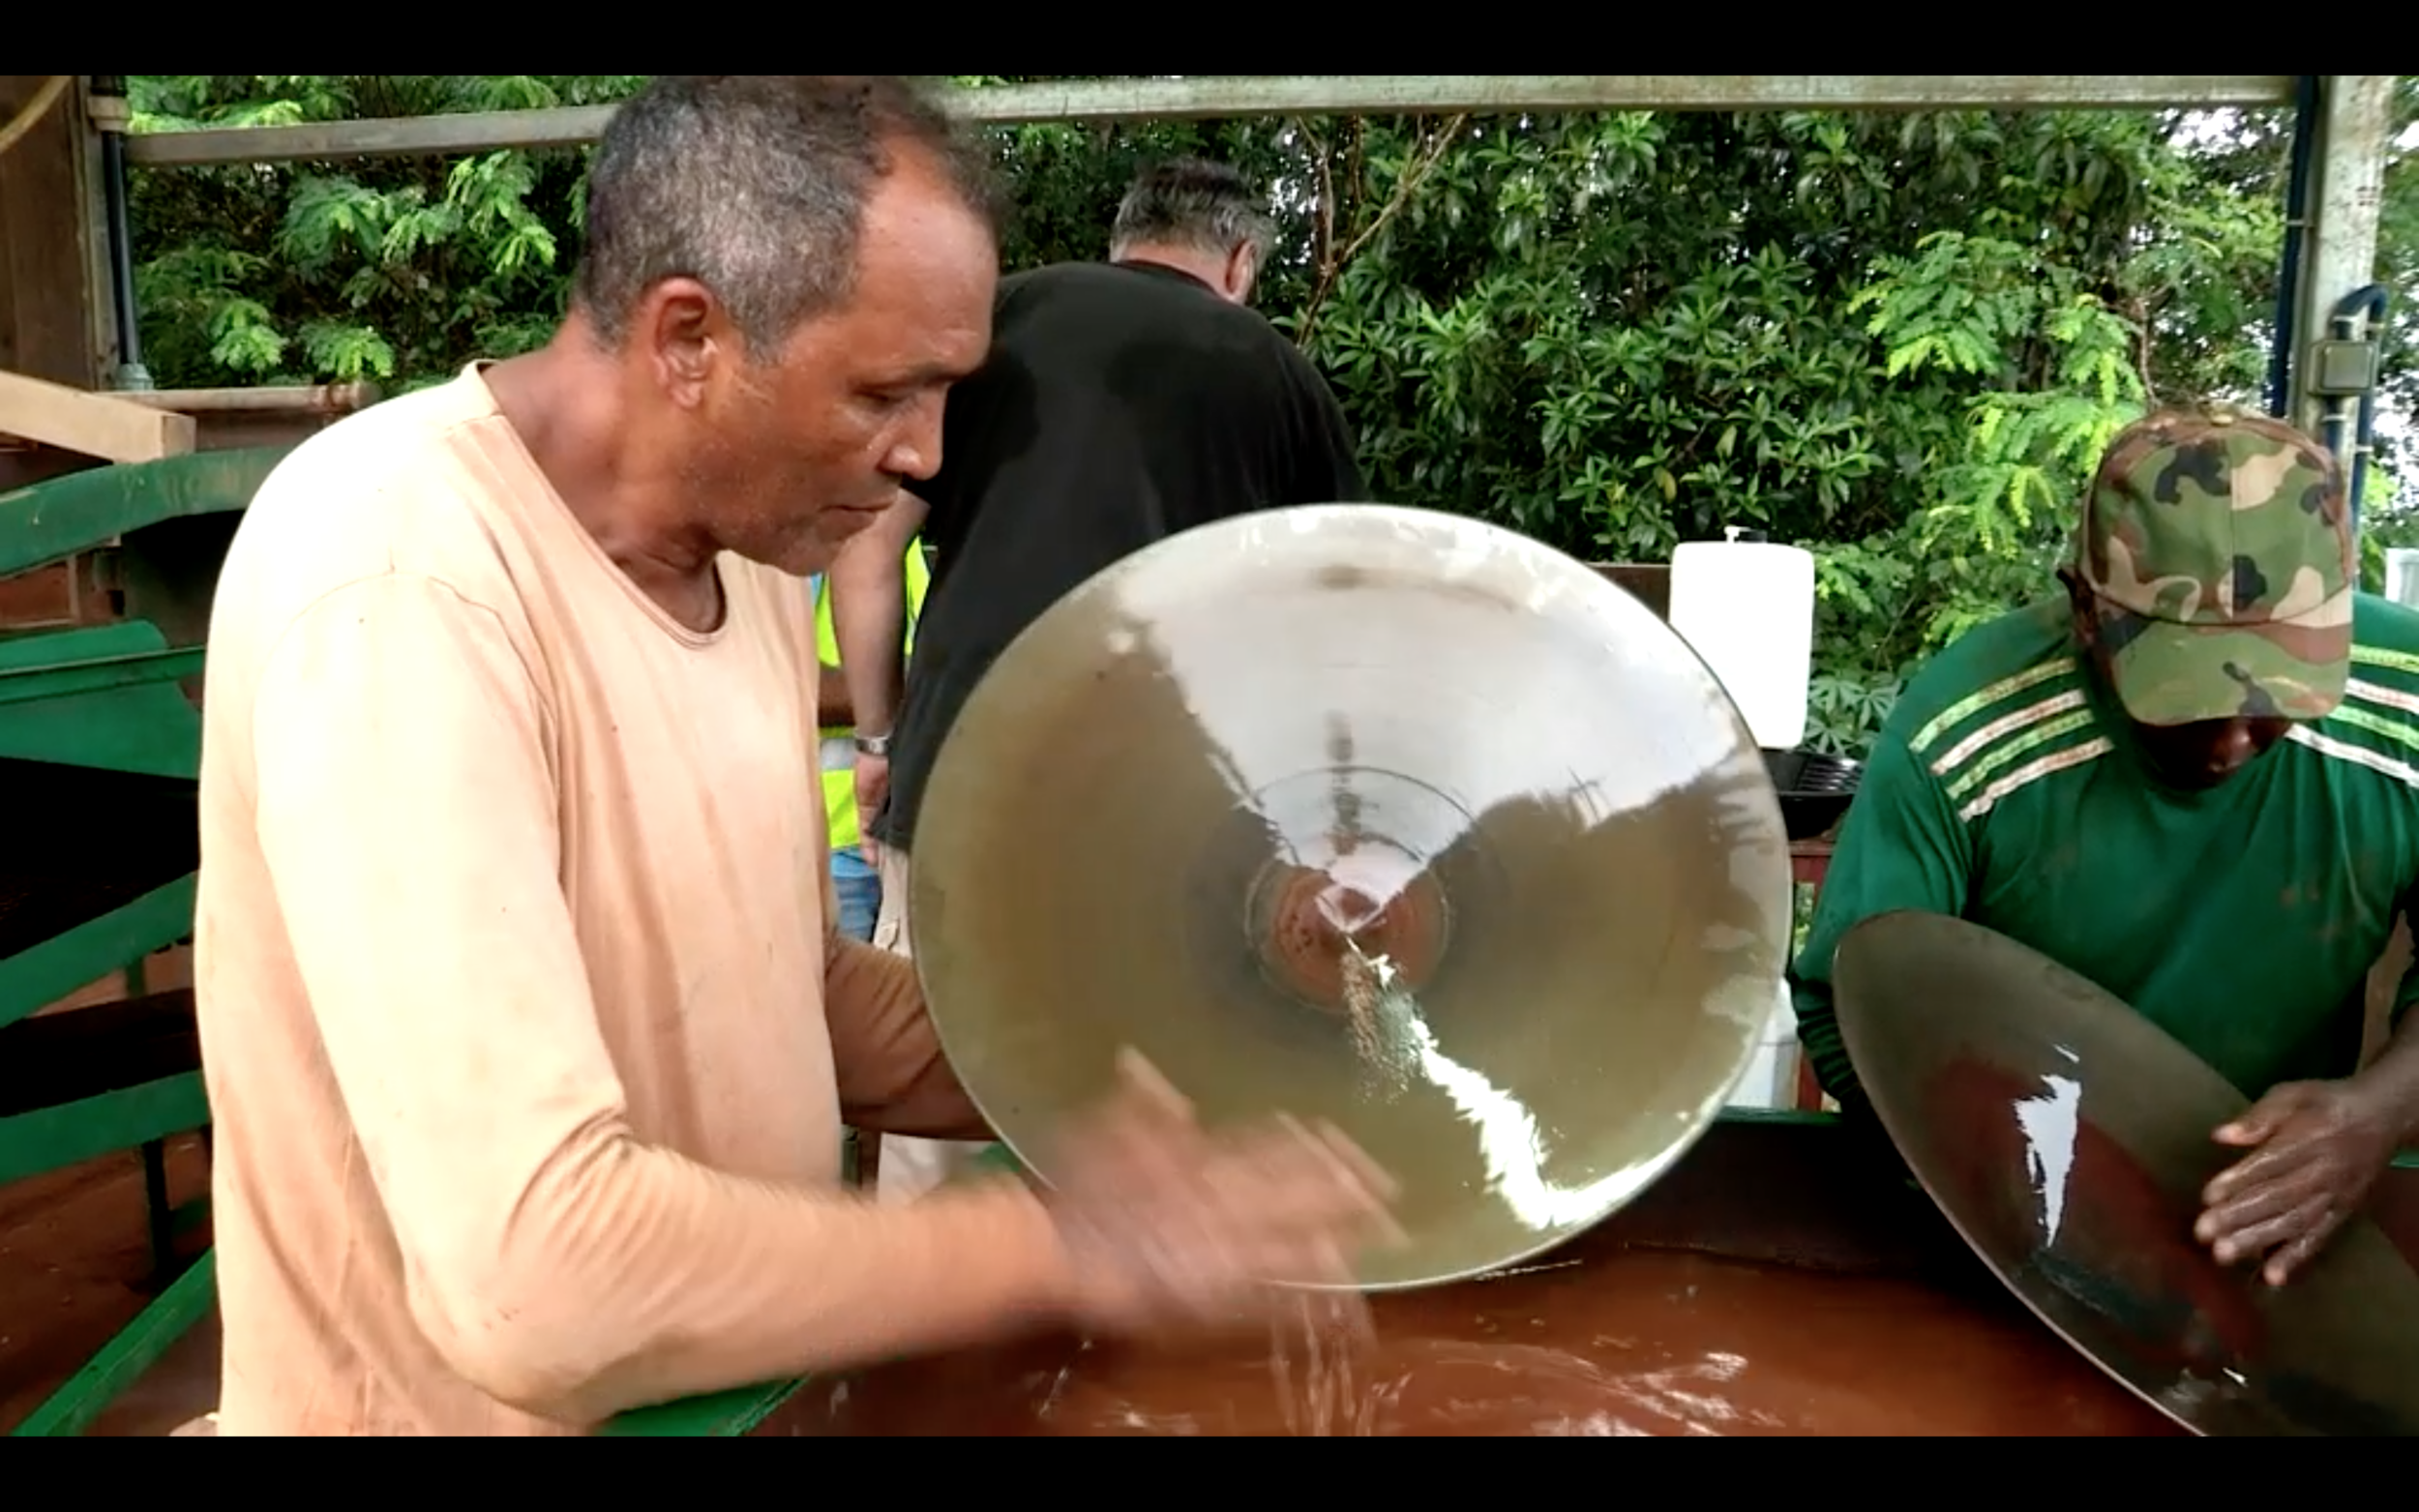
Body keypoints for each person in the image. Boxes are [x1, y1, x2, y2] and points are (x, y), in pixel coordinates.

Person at [187, 75, 1401, 1438]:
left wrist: (1168, 1038)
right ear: (690, 336)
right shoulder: (399, 574)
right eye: (887, 391)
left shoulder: (755, 563)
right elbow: (534, 1277)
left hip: (746, 1398)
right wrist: (1069, 1240)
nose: (924, 452)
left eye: (948, 393)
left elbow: (789, 986)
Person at [826, 157, 1371, 1205]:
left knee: (943, 1050)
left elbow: (862, 552)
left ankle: (929, 1340)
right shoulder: (1278, 376)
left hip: (963, 764)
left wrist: (880, 742)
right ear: (1240, 261)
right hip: (1169, 808)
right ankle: (1114, 1324)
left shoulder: (999, 323)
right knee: (1145, 1073)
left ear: (1124, 237)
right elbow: (1328, 631)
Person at [1792, 402, 2419, 1290]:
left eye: (2277, 695)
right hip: (2009, 1202)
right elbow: (1849, 1000)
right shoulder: (1968, 732)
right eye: (2189, 698)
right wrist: (2008, 1176)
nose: (2234, 742)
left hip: (2257, 1225)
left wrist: (2376, 1114)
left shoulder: (2408, 705)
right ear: (2089, 612)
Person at [809, 543, 930, 943]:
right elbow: (779, 681)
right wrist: (926, 689)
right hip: (829, 855)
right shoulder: (802, 545)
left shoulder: (904, 543)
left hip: (898, 840)